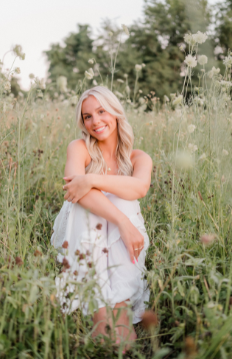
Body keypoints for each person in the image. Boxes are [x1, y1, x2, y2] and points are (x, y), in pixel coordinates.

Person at [53, 86, 152, 352]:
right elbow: (75, 192)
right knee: (88, 205)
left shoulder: (138, 157)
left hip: (120, 246)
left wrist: (91, 179)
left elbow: (140, 188)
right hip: (87, 237)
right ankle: (98, 303)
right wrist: (121, 221)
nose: (95, 121)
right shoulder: (79, 148)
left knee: (121, 342)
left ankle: (119, 303)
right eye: (87, 116)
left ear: (116, 112)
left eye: (101, 111)